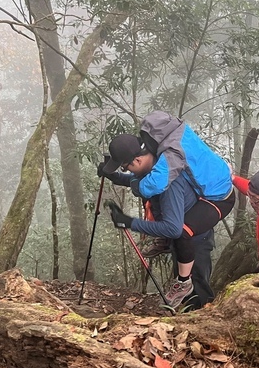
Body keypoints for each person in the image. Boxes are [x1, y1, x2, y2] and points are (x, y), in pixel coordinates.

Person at [98, 112, 235, 307]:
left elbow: (172, 227)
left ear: (136, 161)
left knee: (196, 294)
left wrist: (129, 222)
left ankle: (197, 323)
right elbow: (143, 179)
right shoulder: (164, 157)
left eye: (126, 168)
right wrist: (116, 177)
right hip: (196, 221)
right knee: (187, 284)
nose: (128, 171)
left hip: (204, 224)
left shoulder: (169, 173)